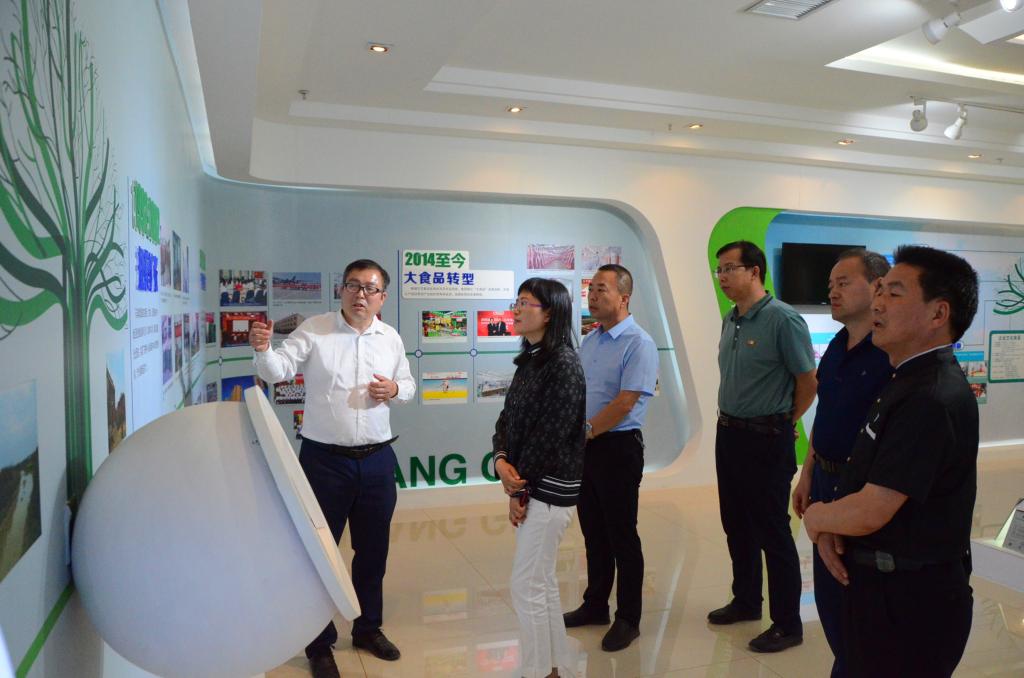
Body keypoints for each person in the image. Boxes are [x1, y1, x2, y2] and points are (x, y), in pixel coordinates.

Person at [803, 245, 980, 678]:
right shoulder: (906, 378)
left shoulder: (930, 397)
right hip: (880, 590)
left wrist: (819, 518)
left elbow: (873, 509)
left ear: (938, 313)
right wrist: (833, 522)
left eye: (894, 293)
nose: (879, 303)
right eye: (880, 291)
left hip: (910, 604)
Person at [249, 259, 414, 678]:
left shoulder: (390, 338)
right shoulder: (316, 329)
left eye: (370, 288)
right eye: (353, 285)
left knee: (373, 552)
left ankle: (367, 628)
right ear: (341, 290)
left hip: (377, 461)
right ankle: (319, 644)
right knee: (320, 555)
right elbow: (278, 371)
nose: (361, 295)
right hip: (324, 462)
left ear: (382, 297)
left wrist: (395, 388)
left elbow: (409, 387)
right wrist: (263, 349)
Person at [708, 240, 816, 653]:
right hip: (728, 433)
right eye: (719, 270)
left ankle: (787, 623)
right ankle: (746, 600)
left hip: (766, 437)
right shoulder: (730, 319)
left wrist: (785, 420)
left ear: (754, 271)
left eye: (729, 268)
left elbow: (808, 381)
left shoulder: (783, 320)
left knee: (772, 530)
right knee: (735, 522)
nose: (721, 277)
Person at [790, 248, 892, 677]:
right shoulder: (835, 346)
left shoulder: (888, 353)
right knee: (830, 600)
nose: (832, 291)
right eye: (830, 284)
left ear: (877, 287)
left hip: (863, 489)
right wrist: (807, 472)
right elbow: (827, 414)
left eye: (843, 283)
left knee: (859, 596)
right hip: (825, 482)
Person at [492, 278, 586, 678]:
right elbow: (507, 419)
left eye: (525, 303)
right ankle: (553, 667)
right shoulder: (530, 359)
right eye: (516, 302)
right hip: (532, 486)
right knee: (541, 582)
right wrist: (500, 460)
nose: (515, 310)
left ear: (549, 313)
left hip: (548, 490)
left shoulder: (563, 363)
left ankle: (537, 671)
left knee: (526, 585)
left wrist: (520, 487)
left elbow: (551, 434)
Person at [562, 264, 658, 652]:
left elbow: (625, 402)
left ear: (624, 297)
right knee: (593, 532)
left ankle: (628, 618)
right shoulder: (592, 340)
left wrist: (585, 432)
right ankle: (595, 605)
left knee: (622, 535)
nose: (593, 296)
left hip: (617, 448)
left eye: (602, 289)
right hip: (586, 447)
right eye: (591, 290)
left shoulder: (639, 343)